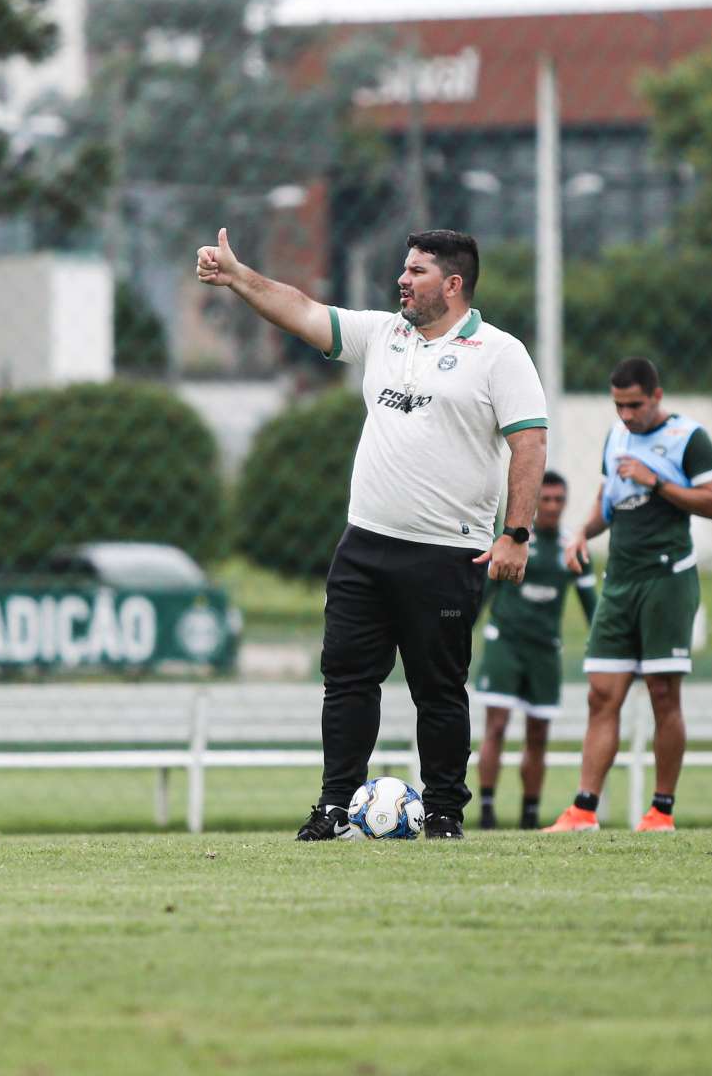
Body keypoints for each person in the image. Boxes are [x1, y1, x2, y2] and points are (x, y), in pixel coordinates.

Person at [196, 226, 547, 840]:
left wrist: (515, 532)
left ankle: (442, 812)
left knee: (438, 690)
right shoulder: (386, 333)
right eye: (404, 270)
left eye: (416, 272)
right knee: (347, 680)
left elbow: (530, 443)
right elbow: (301, 310)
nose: (402, 281)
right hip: (364, 545)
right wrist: (237, 276)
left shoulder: (499, 353)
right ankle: (335, 808)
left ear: (454, 284)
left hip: (448, 551)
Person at [543, 358, 712, 833]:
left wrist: (658, 482)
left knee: (663, 694)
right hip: (619, 582)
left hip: (666, 579)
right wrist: (582, 531)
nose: (626, 415)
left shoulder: (689, 438)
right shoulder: (616, 435)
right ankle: (584, 810)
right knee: (602, 695)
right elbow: (610, 496)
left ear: (656, 396)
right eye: (619, 405)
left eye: (635, 405)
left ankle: (660, 811)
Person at [474, 470, 597, 829]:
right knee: (495, 726)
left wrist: (604, 642)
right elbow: (483, 595)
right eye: (546, 499)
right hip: (505, 644)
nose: (553, 507)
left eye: (559, 500)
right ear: (534, 501)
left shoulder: (571, 547)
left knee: (538, 733)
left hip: (545, 650)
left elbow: (592, 605)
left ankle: (529, 814)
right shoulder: (513, 542)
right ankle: (486, 812)